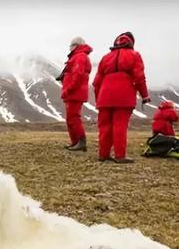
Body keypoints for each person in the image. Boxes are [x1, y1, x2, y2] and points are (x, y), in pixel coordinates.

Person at [92, 31, 150, 163]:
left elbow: (96, 83)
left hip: (104, 97)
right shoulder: (134, 55)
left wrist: (98, 100)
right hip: (124, 96)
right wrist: (145, 95)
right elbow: (139, 78)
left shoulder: (105, 57)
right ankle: (120, 155)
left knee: (104, 126)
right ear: (131, 43)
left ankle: (103, 154)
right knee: (120, 125)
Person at [58, 36, 93, 151]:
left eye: (71, 45)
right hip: (73, 92)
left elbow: (77, 75)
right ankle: (75, 142)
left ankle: (81, 142)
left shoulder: (80, 57)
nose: (70, 48)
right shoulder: (78, 56)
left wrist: (69, 89)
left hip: (74, 92)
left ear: (76, 46)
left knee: (74, 117)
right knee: (71, 118)